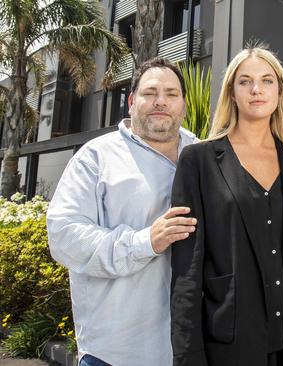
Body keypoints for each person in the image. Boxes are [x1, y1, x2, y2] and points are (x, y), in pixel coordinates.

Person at [47, 57, 198, 366]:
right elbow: (64, 237)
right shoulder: (97, 157)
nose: (161, 102)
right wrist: (145, 242)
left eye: (171, 94)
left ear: (183, 104)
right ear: (131, 101)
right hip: (116, 352)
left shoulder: (203, 154)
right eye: (150, 92)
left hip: (188, 349)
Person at [169, 45, 283, 366]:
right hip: (228, 343)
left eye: (266, 80)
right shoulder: (199, 160)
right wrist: (188, 356)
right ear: (232, 93)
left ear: (280, 91)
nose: (257, 89)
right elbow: (186, 270)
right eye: (245, 81)